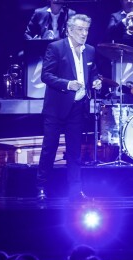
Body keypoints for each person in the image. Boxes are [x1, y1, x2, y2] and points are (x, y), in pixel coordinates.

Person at [37, 14, 102, 200]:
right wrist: (68, 84)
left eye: (87, 30)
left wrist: (96, 81)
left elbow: (94, 73)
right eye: (80, 29)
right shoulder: (56, 48)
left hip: (78, 108)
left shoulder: (90, 50)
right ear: (70, 30)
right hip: (56, 108)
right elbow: (46, 75)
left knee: (75, 152)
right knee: (49, 148)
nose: (84, 33)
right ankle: (41, 186)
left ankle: (75, 190)